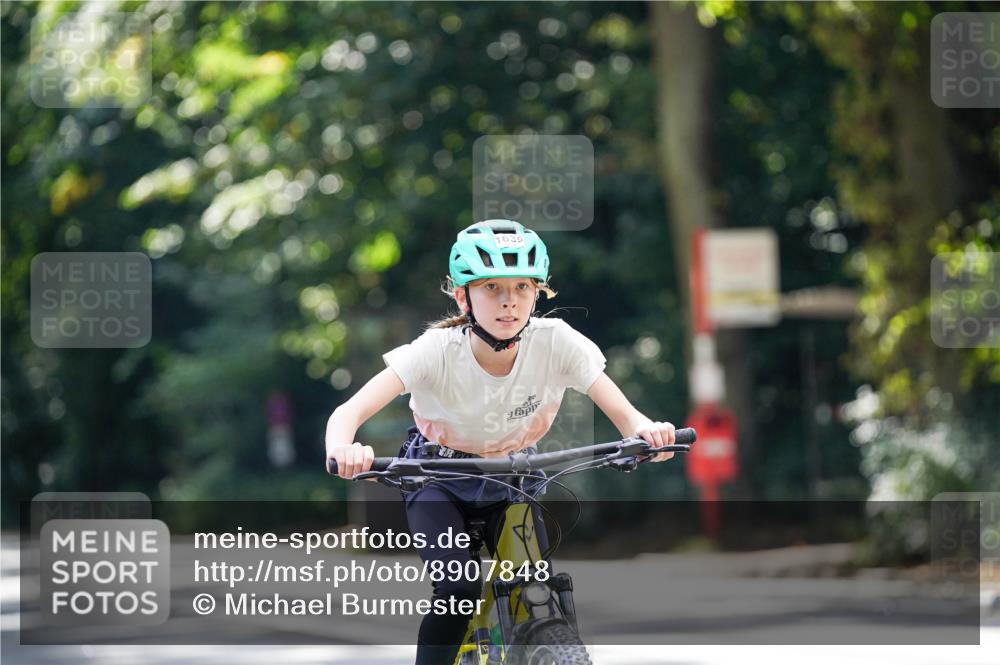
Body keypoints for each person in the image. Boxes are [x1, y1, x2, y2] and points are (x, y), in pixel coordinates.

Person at [326, 219, 678, 665]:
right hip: (438, 478)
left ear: (538, 293)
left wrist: (645, 433)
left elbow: (626, 415)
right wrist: (343, 447)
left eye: (523, 287)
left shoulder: (557, 342)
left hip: (513, 476)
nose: (509, 301)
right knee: (458, 590)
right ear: (462, 296)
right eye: (491, 287)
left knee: (537, 582)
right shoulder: (436, 350)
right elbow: (347, 414)